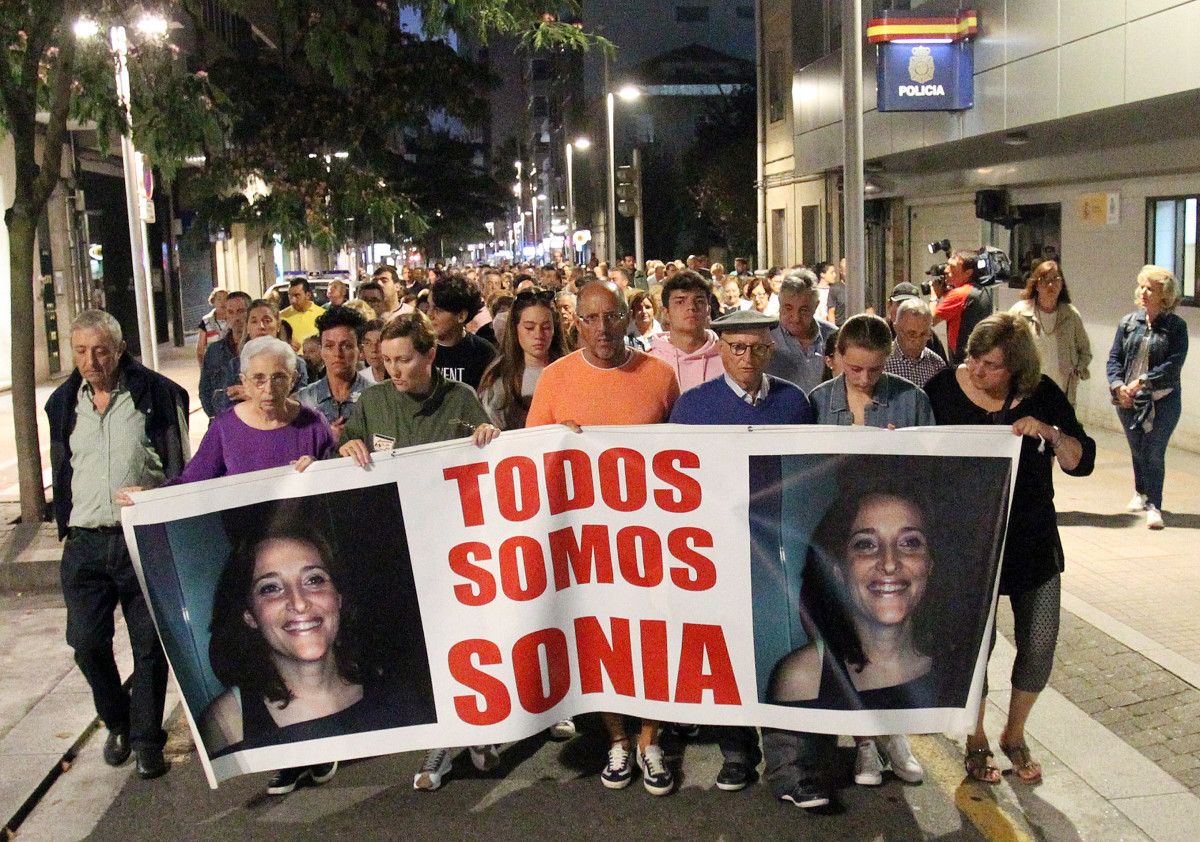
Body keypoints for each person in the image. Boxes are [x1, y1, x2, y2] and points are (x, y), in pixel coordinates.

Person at [925, 313, 1095, 785]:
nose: (978, 371)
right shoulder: (943, 389)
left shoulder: (1042, 395)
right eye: (975, 359)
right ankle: (975, 736)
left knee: (1040, 643)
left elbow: (1083, 461)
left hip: (1031, 538)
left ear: (1017, 370)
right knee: (977, 646)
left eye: (993, 365)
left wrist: (1052, 432)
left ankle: (1014, 733)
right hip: (966, 542)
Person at [526, 281, 680, 796]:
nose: (602, 329)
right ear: (577, 325)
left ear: (630, 318)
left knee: (652, 637)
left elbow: (688, 458)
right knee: (600, 640)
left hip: (651, 536)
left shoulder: (659, 375)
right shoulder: (553, 379)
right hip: (586, 540)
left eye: (611, 317)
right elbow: (529, 460)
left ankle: (650, 739)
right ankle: (616, 736)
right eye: (590, 319)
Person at [338, 312, 501, 792]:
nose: (395, 370)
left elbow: (496, 464)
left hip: (458, 547)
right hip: (398, 549)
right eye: (386, 360)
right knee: (421, 649)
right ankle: (441, 739)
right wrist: (346, 448)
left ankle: (480, 728)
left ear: (430, 355)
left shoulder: (462, 398)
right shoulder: (372, 402)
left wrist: (489, 439)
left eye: (405, 359)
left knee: (468, 641)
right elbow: (344, 462)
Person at [669, 309, 814, 794]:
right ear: (721, 350)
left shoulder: (795, 403)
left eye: (758, 348)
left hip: (779, 552)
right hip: (716, 551)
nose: (747, 357)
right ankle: (735, 754)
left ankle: (788, 768)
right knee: (726, 654)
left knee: (782, 653)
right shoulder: (691, 408)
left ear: (771, 350)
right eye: (736, 348)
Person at [46, 310, 190, 780]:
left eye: (100, 350)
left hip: (139, 538)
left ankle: (148, 740)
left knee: (149, 646)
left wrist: (164, 498)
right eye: (81, 351)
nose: (91, 360)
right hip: (85, 543)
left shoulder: (158, 394)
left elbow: (178, 467)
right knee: (86, 644)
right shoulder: (64, 402)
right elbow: (64, 465)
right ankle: (118, 722)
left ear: (120, 347)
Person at [804, 313, 931, 786]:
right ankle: (863, 743)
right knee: (850, 634)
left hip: (891, 531)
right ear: (837, 358)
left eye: (874, 370)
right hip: (840, 538)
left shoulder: (910, 399)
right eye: (854, 369)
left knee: (892, 633)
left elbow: (934, 471)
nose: (863, 379)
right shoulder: (818, 402)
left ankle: (895, 734)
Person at [1106, 265, 1189, 529]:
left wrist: (1143, 381)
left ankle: (1155, 505)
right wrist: (1119, 385)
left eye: (1150, 288)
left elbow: (1174, 364)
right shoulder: (1129, 322)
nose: (1143, 292)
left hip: (1163, 399)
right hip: (1128, 398)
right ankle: (1140, 491)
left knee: (1154, 450)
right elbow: (1114, 358)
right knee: (1137, 448)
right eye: (1142, 286)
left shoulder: (1176, 327)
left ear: (1164, 295)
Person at [478, 287, 567, 430]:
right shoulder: (498, 377)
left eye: (545, 327)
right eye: (529, 328)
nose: (538, 335)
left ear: (554, 329)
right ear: (515, 328)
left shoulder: (570, 370)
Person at [1010, 260, 1091, 405]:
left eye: (1056, 279)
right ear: (1036, 284)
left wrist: (1077, 370)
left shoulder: (1071, 315)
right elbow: (1005, 344)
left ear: (1062, 284)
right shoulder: (1020, 312)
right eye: (1044, 280)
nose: (1051, 285)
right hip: (1027, 387)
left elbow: (1085, 351)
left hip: (1062, 390)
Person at [295, 306, 374, 440]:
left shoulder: (375, 397)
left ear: (360, 351)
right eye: (329, 346)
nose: (337, 354)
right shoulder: (302, 401)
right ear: (321, 351)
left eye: (346, 346)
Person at [649, 270, 723, 392]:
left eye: (699, 301)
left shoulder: (727, 358)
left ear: (708, 311)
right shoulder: (650, 362)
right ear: (666, 313)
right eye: (680, 301)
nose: (691, 307)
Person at [766, 276, 838, 394]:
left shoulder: (833, 336)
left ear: (815, 306)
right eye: (788, 308)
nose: (796, 318)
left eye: (803, 310)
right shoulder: (765, 337)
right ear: (779, 304)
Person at [429, 274, 498, 390]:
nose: (429, 315)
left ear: (461, 316)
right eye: (429, 307)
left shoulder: (484, 353)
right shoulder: (418, 348)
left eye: (438, 310)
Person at [933, 250, 994, 364]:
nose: (946, 270)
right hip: (977, 359)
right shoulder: (981, 291)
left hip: (962, 363)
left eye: (952, 267)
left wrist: (934, 296)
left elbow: (929, 321)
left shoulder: (960, 294)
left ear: (968, 273)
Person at [199, 291, 251, 417]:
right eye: (231, 312)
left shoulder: (259, 349)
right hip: (223, 420)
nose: (236, 317)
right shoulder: (214, 351)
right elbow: (205, 389)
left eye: (240, 311)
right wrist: (215, 417)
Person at [885, 298, 946, 388]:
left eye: (924, 334)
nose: (918, 341)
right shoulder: (881, 362)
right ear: (896, 328)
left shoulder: (936, 365)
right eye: (911, 334)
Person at [887, 282, 948, 362]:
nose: (905, 311)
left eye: (911, 306)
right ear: (889, 305)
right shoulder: (878, 331)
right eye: (900, 304)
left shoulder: (929, 337)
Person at [279, 277, 326, 348]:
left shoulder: (323, 315)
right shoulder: (281, 316)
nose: (293, 300)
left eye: (297, 295)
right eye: (290, 295)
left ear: (308, 295)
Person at [196, 288, 229, 365]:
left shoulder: (234, 319)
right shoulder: (206, 321)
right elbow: (200, 349)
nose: (222, 302)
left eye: (225, 299)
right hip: (213, 362)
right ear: (213, 301)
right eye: (219, 299)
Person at [817, 261, 846, 326]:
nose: (835, 275)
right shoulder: (816, 292)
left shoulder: (835, 289)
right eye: (832, 273)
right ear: (822, 274)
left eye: (835, 272)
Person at [360, 318, 388, 383]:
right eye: (368, 343)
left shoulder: (399, 379)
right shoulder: (360, 380)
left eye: (379, 343)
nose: (374, 349)